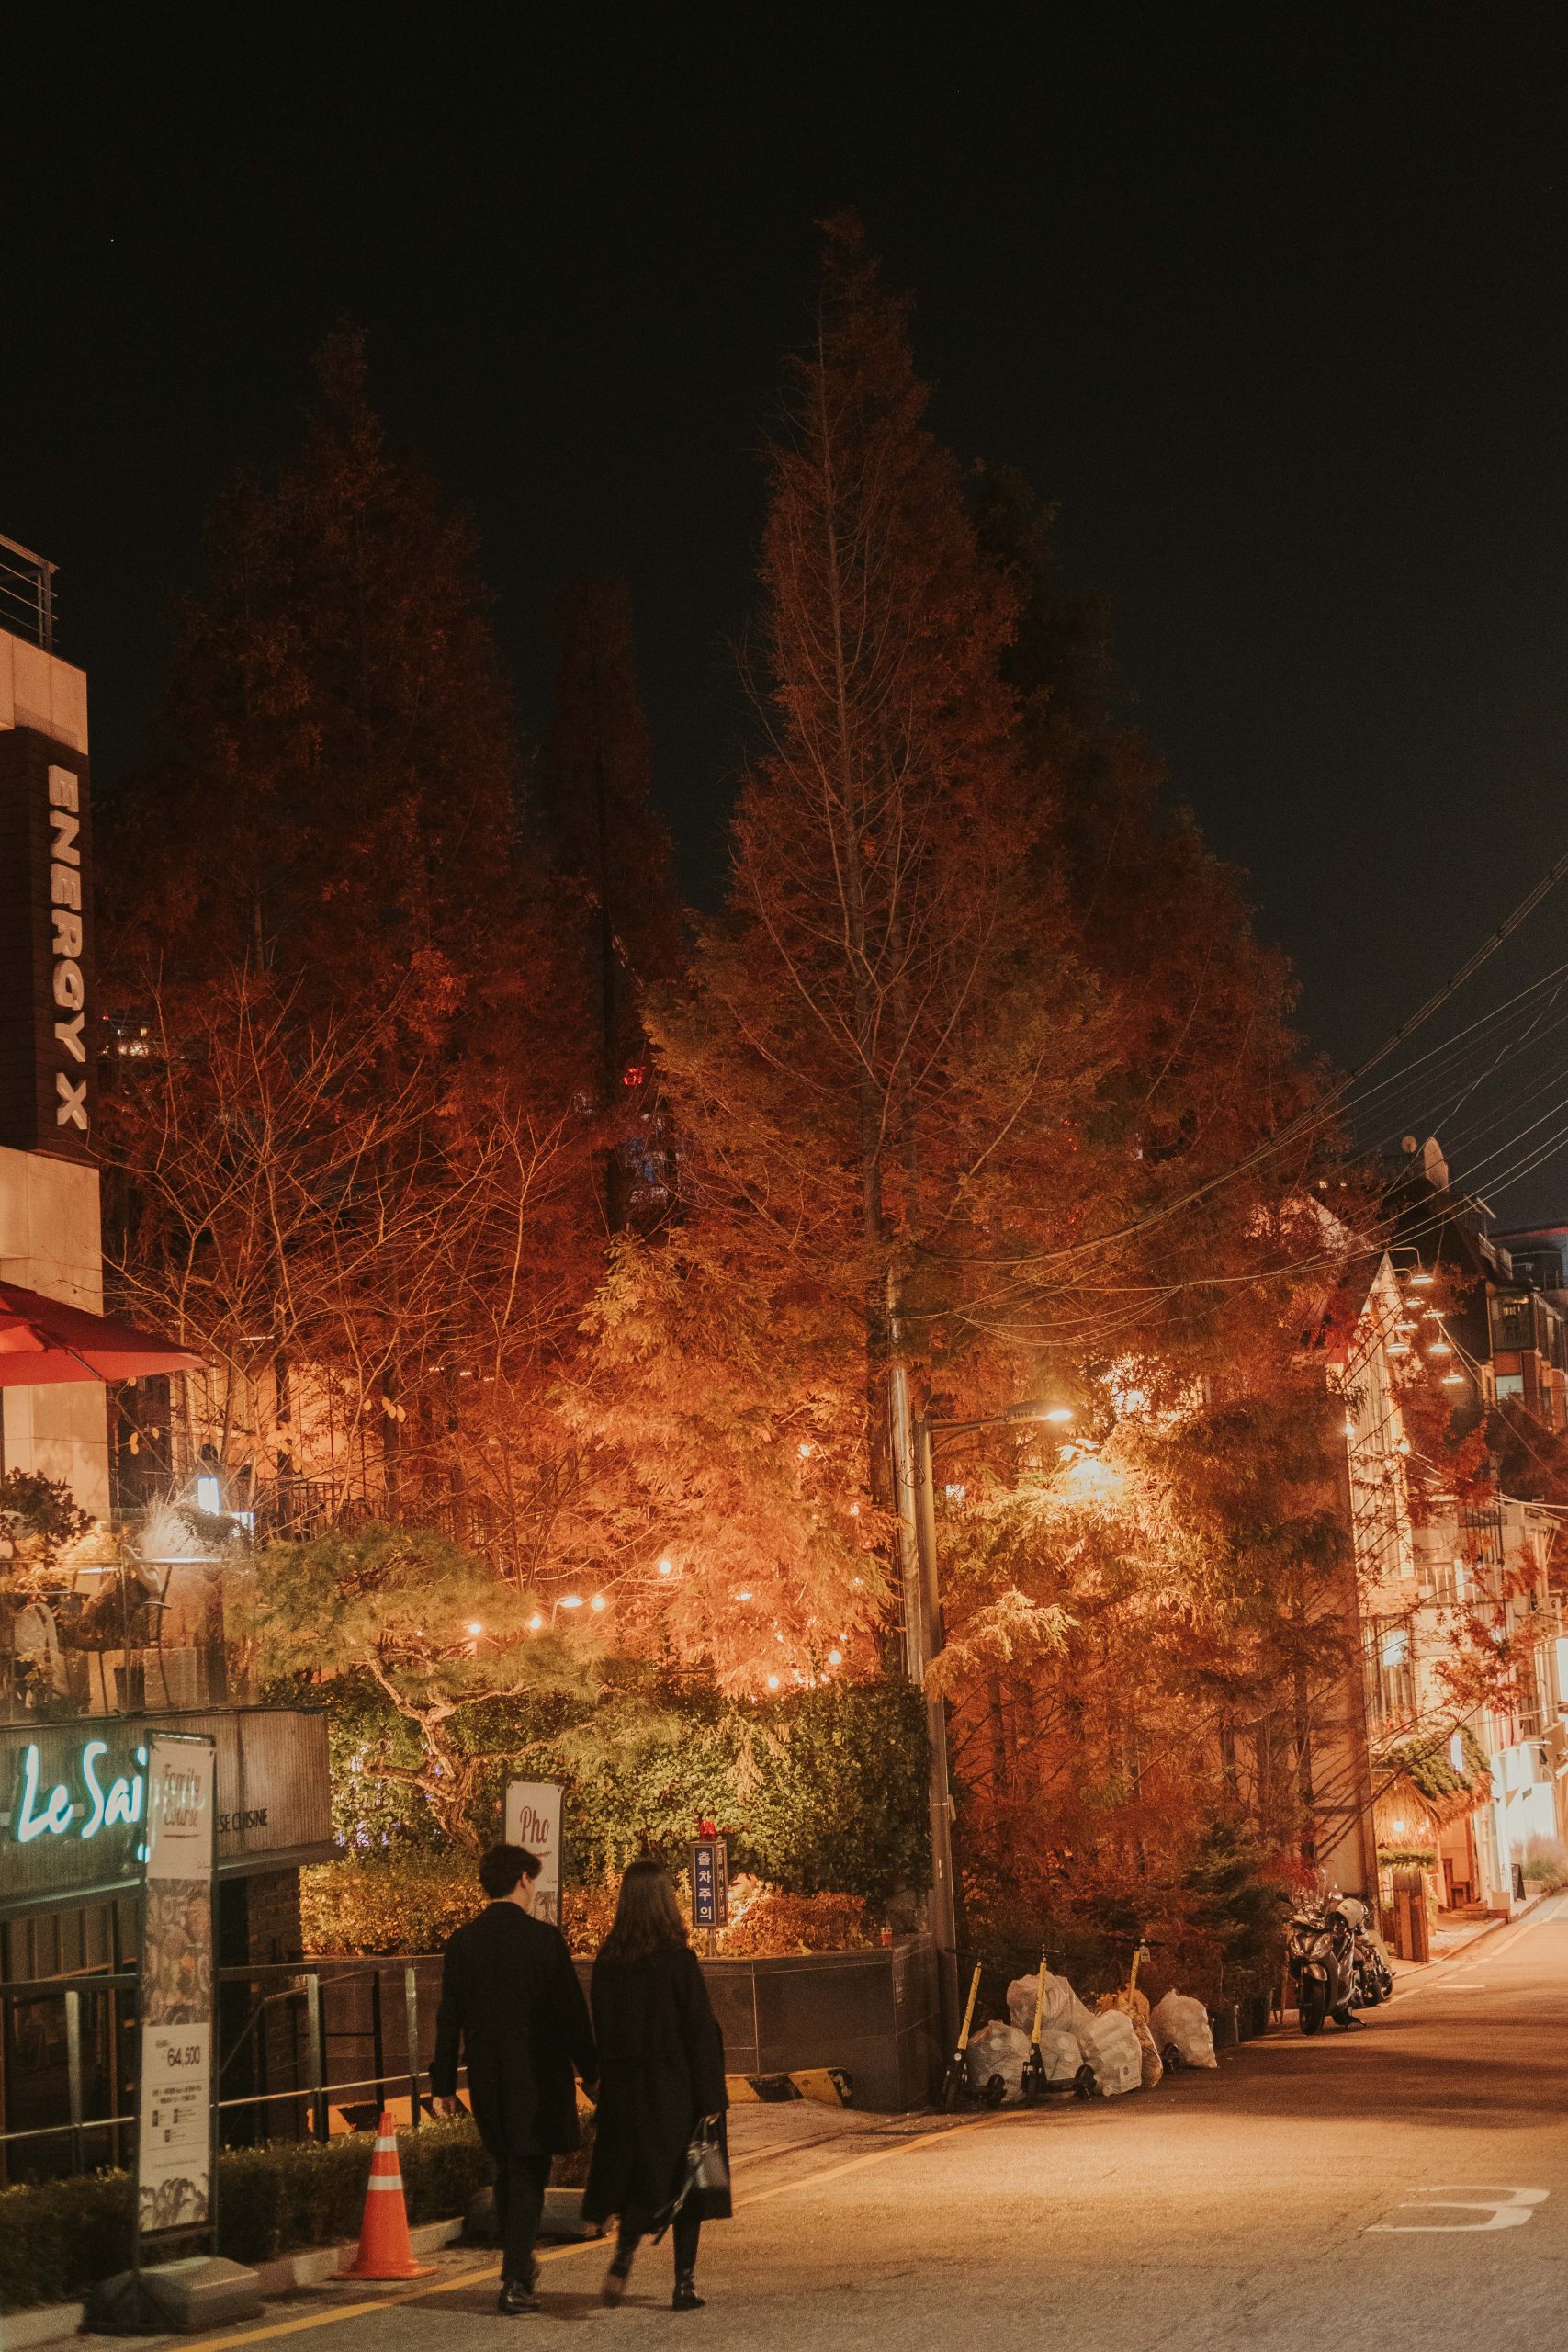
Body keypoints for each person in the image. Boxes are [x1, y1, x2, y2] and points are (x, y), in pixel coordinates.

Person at [431, 1844, 597, 2316]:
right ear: (523, 1879)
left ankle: (519, 2265)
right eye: (535, 1879)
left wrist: (442, 2082)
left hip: (487, 2077)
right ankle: (515, 2279)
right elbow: (571, 2015)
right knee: (528, 2172)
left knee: (509, 2165)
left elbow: (449, 2018)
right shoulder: (544, 1940)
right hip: (537, 2077)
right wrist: (593, 2071)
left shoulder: (463, 1942)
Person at [583, 1857, 730, 2312]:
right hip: (673, 2085)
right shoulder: (678, 1961)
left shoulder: (608, 1963)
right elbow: (700, 2029)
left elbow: (601, 2030)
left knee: (636, 2178)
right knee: (686, 2178)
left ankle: (624, 2255)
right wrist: (710, 2097)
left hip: (626, 2089)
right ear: (666, 1902)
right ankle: (683, 2284)